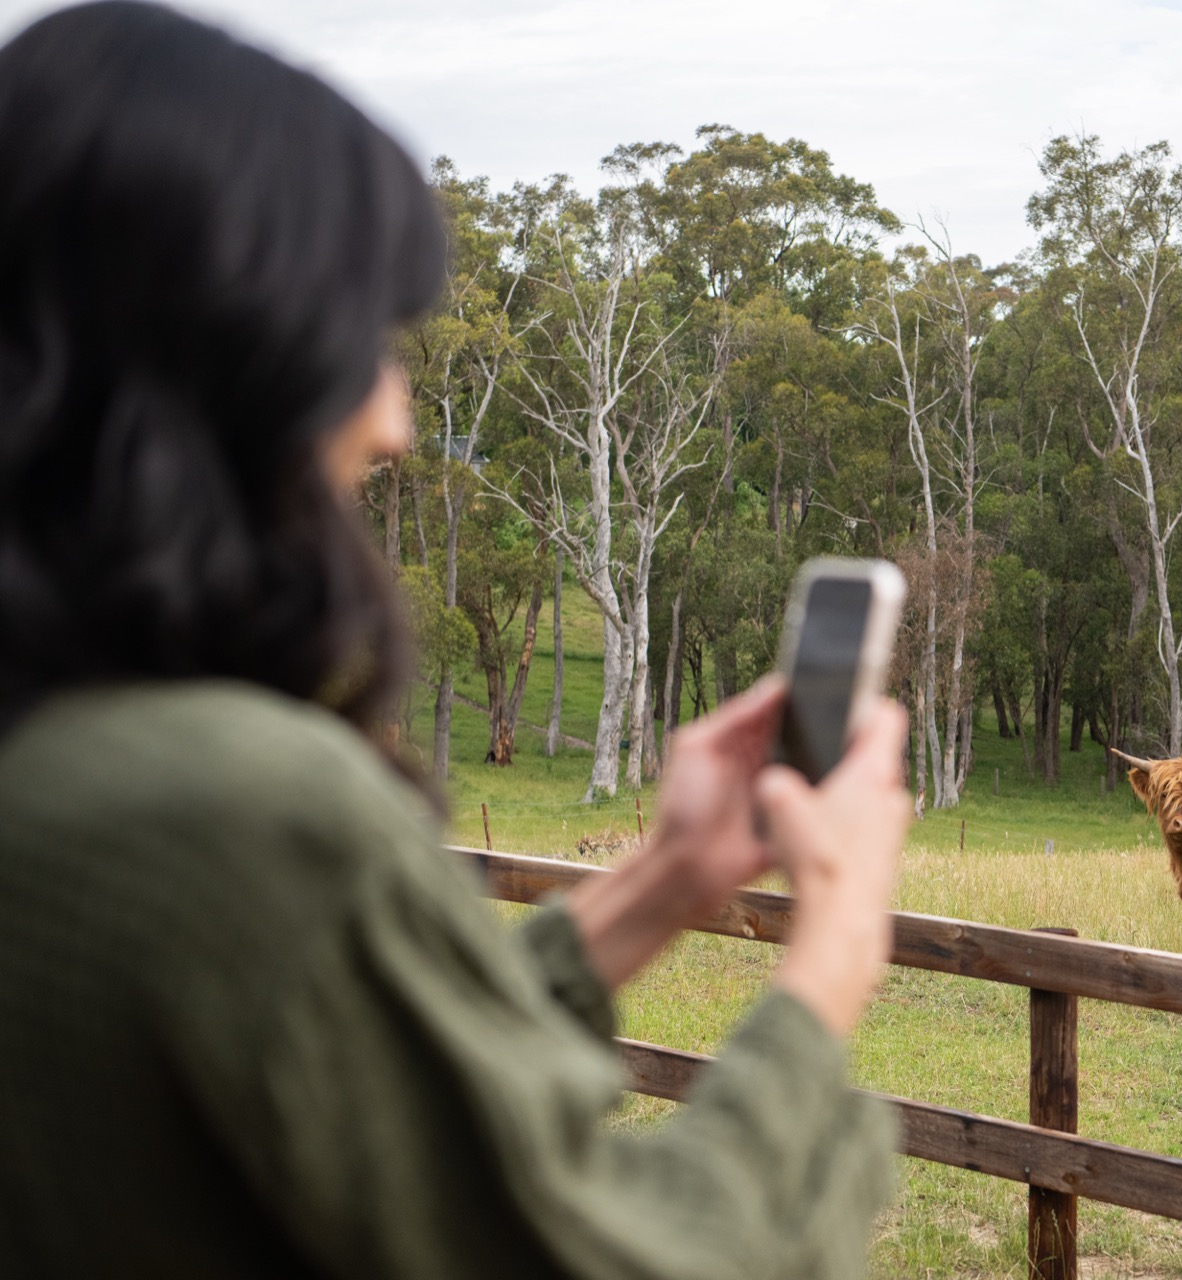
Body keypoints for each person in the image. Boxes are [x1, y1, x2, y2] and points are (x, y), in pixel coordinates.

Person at [0, 4, 909, 1276]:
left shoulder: (64, 762)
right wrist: (832, 958)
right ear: (222, 352)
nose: (396, 424)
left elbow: (353, 1087)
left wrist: (662, 880)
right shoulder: (234, 805)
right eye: (363, 343)